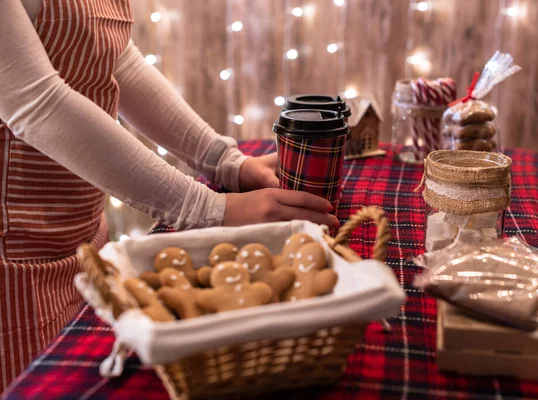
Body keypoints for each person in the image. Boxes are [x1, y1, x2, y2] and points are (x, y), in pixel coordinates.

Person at [0, 0, 339, 390]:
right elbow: (37, 103)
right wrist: (209, 208)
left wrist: (224, 161)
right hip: (13, 261)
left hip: (79, 239)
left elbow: (116, 59)